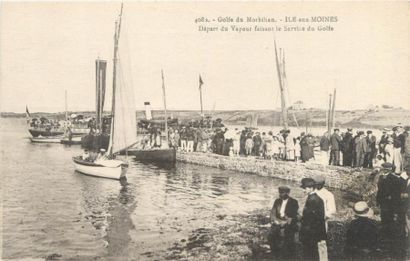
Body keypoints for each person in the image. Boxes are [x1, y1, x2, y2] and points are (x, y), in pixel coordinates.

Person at [300, 178, 327, 261]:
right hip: (314, 232)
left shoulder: (313, 200)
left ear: (311, 188)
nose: (303, 190)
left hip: (310, 232)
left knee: (309, 253)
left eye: (305, 188)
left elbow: (310, 219)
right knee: (312, 252)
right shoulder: (315, 198)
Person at [269, 186, 299, 258]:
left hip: (288, 222)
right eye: (280, 192)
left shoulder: (294, 202)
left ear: (288, 193)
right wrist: (274, 220)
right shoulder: (277, 201)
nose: (280, 194)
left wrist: (285, 223)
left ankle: (288, 255)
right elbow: (272, 213)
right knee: (271, 236)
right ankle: (275, 252)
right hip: (278, 221)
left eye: (282, 193)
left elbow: (293, 215)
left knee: (288, 238)